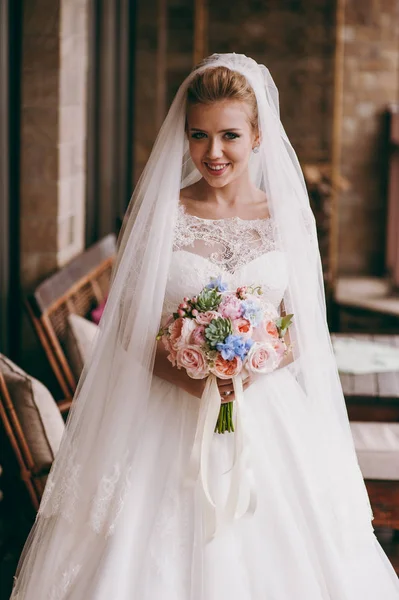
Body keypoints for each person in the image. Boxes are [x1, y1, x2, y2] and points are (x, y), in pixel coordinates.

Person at [10, 53, 399, 600]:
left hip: (268, 413)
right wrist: (194, 376)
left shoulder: (287, 216)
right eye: (199, 135)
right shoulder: (162, 213)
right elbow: (126, 326)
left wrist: (255, 361)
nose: (212, 153)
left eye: (229, 136)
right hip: (167, 412)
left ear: (258, 135)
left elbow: (303, 328)